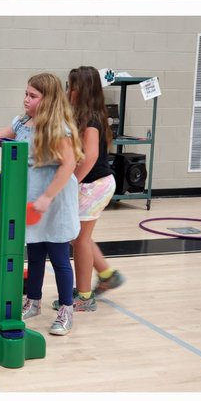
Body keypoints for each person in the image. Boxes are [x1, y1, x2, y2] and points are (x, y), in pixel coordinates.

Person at [0, 73, 81, 335]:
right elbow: (3, 134)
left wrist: (47, 197)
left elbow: (69, 164)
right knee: (33, 254)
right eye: (26, 94)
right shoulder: (22, 122)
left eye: (33, 96)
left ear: (49, 100)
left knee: (58, 257)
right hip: (31, 202)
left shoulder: (58, 130)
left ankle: (66, 308)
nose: (26, 99)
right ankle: (33, 301)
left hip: (54, 203)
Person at [61, 66, 120, 312]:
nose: (68, 90)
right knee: (80, 236)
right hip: (91, 183)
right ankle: (107, 274)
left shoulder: (92, 119)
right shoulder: (80, 115)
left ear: (81, 91)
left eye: (71, 87)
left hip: (94, 184)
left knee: (79, 238)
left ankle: (84, 297)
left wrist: (70, 180)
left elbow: (91, 155)